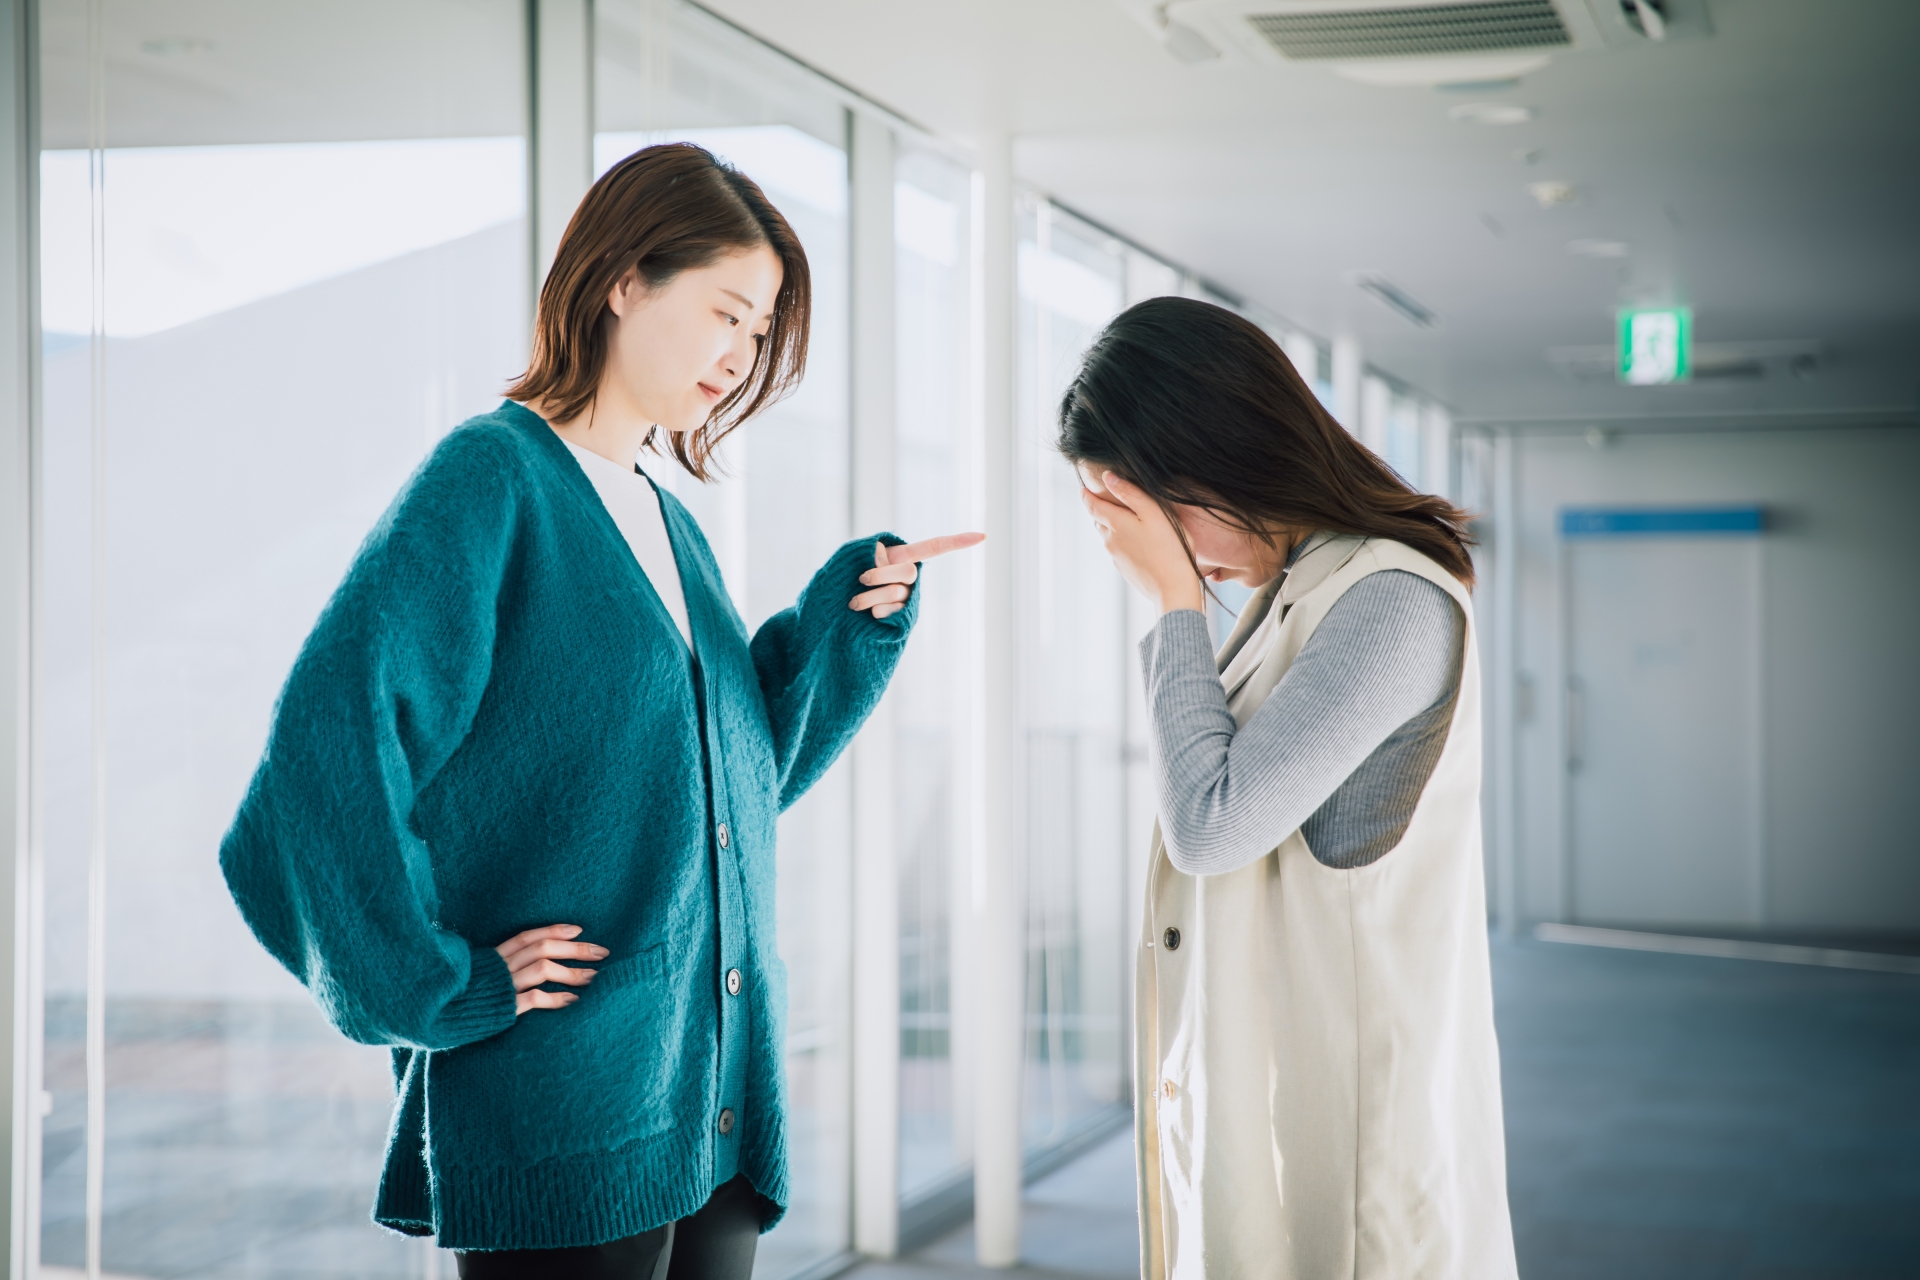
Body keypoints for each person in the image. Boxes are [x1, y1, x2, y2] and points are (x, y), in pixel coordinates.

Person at [219, 143, 980, 1277]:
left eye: (761, 328)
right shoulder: (491, 478)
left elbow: (732, 775)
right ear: (624, 278)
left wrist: (840, 629)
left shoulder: (663, 517)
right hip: (571, 1096)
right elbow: (322, 754)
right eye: (728, 310)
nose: (743, 352)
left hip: (709, 1096)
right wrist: (437, 982)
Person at [1065, 297, 1517, 1279]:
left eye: (1159, 515)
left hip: (1355, 1135)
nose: (1177, 551)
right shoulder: (1300, 587)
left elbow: (1214, 826)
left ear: (1223, 452)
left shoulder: (1392, 598)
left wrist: (1174, 601)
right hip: (1280, 1094)